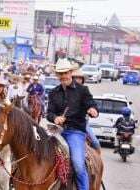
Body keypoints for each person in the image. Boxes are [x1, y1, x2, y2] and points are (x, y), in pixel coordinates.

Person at [47, 58, 99, 190]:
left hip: (75, 132)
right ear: (57, 75)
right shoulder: (53, 93)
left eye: (65, 72)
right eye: (60, 73)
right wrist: (55, 118)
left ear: (71, 72)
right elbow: (49, 113)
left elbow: (91, 104)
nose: (63, 76)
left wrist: (93, 110)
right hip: (56, 131)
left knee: (78, 165)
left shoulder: (82, 90)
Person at [72, 69, 101, 155]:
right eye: (75, 78)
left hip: (81, 124)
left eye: (79, 78)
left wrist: (92, 109)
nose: (77, 80)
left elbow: (91, 103)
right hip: (65, 124)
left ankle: (98, 163)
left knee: (95, 142)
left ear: (82, 80)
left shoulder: (85, 92)